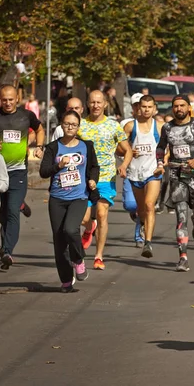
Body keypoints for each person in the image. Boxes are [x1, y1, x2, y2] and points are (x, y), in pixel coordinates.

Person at [154, 95, 194, 272]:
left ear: (188, 107)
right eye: (175, 106)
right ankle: (183, 257)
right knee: (180, 219)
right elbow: (160, 148)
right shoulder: (167, 127)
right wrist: (160, 164)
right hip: (177, 176)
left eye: (182, 105)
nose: (178, 109)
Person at [39, 110, 99, 292]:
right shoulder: (53, 147)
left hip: (78, 197)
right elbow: (43, 172)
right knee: (59, 241)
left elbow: (94, 166)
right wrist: (59, 165)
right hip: (57, 198)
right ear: (61, 125)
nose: (70, 127)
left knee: (71, 229)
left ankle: (78, 259)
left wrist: (92, 179)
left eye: (74, 124)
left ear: (78, 127)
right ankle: (66, 280)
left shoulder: (86, 146)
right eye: (66, 124)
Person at [78, 90, 132, 270]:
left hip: (106, 175)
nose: (95, 106)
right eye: (92, 102)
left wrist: (123, 165)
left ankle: (98, 256)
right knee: (83, 217)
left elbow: (128, 150)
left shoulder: (113, 125)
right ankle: (88, 229)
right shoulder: (80, 125)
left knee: (101, 214)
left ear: (105, 104)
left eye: (99, 102)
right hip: (83, 177)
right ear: (87, 103)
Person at [0, 84, 45, 269]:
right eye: (4, 100)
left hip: (18, 171)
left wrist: (39, 146)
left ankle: (7, 251)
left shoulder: (26, 116)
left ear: (17, 98)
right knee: (3, 215)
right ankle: (21, 204)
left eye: (11, 99)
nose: (7, 103)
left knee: (12, 211)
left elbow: (39, 129)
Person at [125, 95, 164, 258]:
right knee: (141, 209)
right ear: (138, 108)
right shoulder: (129, 127)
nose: (147, 110)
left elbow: (167, 148)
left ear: (154, 108)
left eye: (150, 107)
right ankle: (141, 222)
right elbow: (119, 148)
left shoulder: (160, 127)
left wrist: (163, 163)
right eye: (144, 107)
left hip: (153, 172)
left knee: (149, 205)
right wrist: (127, 151)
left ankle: (147, 243)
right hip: (135, 173)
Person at [120, 93, 145, 248]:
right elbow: (118, 147)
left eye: (141, 105)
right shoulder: (126, 124)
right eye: (136, 105)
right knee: (131, 205)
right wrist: (128, 151)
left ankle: (139, 235)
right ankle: (137, 215)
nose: (139, 108)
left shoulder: (155, 124)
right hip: (131, 170)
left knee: (145, 205)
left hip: (149, 171)